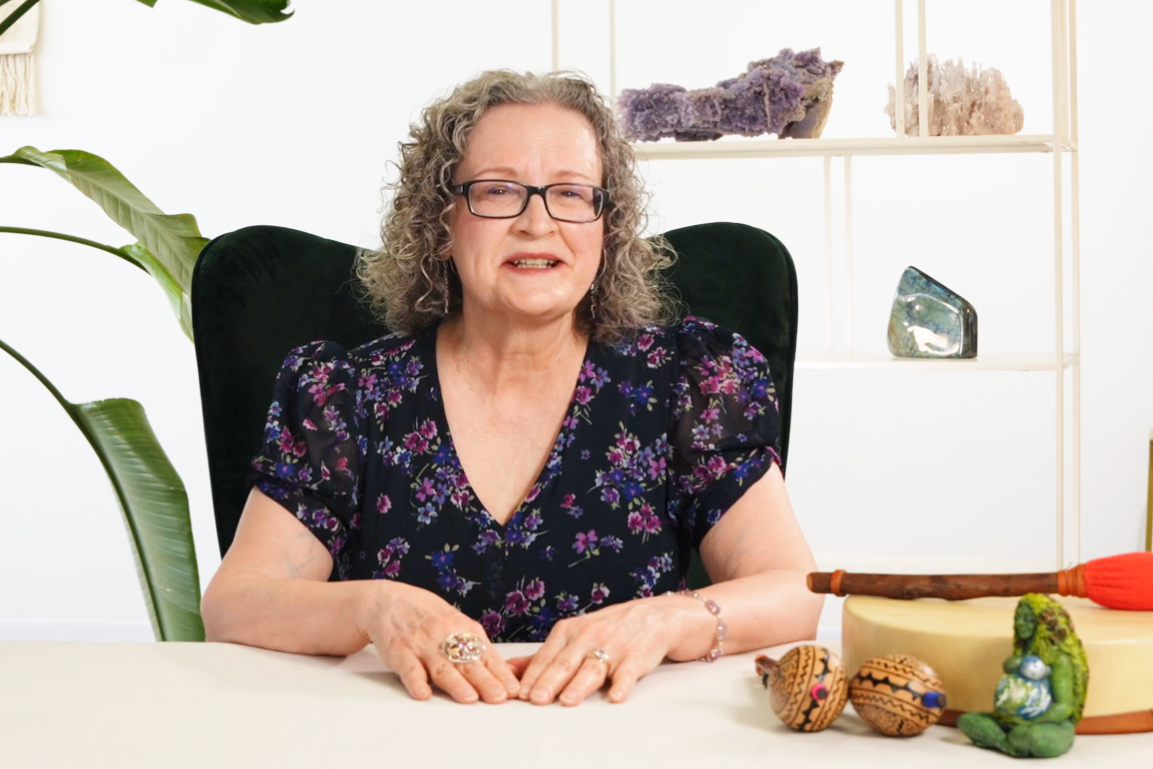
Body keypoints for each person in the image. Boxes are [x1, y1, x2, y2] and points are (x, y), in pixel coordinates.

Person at [201, 70, 823, 707]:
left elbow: (792, 590)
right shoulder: (347, 395)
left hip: (620, 738)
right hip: (401, 737)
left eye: (571, 193)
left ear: (606, 225)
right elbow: (235, 603)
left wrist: (663, 619)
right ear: (442, 221)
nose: (537, 222)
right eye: (498, 191)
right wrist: (374, 607)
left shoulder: (690, 380)